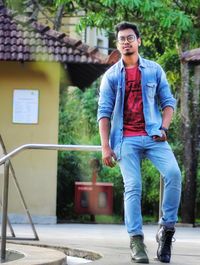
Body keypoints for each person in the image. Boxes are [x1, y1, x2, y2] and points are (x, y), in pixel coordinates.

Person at [97, 21, 182, 264]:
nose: (126, 42)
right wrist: (105, 146)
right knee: (133, 185)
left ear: (138, 41)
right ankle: (136, 240)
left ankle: (167, 231)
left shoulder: (154, 70)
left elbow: (168, 103)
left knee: (174, 174)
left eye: (130, 38)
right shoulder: (111, 76)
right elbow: (103, 113)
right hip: (125, 139)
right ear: (117, 44)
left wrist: (164, 128)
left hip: (154, 135)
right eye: (122, 38)